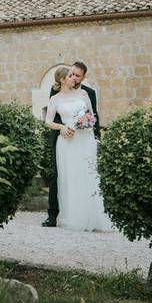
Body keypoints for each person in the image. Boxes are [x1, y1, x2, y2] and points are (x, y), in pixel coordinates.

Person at [42, 62, 111, 231]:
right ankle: (58, 215)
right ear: (62, 79)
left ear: (83, 77)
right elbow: (49, 120)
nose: (73, 77)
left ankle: (93, 216)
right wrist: (62, 128)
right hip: (67, 140)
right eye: (71, 75)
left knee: (89, 175)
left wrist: (91, 130)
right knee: (65, 177)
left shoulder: (86, 93)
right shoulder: (55, 96)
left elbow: (93, 115)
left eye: (76, 75)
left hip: (85, 139)